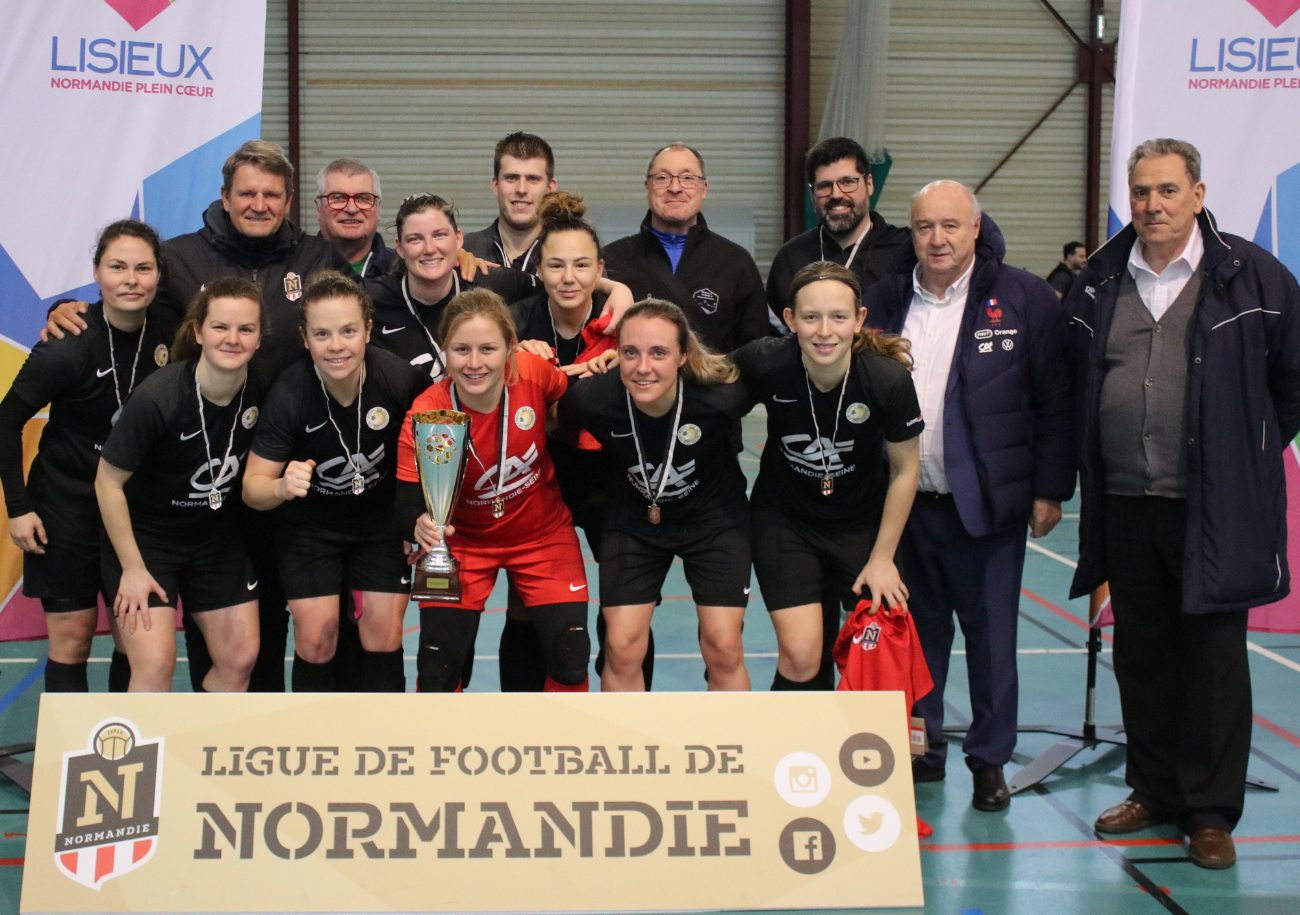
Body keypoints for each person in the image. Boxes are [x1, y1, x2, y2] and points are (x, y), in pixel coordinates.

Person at [1068, 139, 1300, 869]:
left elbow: (1291, 381)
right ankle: (1155, 789)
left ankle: (1209, 812)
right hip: (1126, 503)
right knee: (1142, 655)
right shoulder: (1101, 278)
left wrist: (1252, 448)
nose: (1153, 205)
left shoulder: (1254, 276)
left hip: (1216, 507)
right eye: (1141, 192)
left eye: (1168, 190)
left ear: (1198, 195)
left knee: (1213, 663)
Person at [45, 140, 351, 693]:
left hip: (274, 468)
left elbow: (361, 311)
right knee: (154, 653)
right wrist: (68, 311)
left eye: (272, 195)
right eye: (247, 193)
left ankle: (240, 743)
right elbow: (128, 302)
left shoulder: (316, 258)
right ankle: (144, 753)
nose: (259, 204)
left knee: (257, 632)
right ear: (225, 197)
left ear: (288, 201)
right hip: (185, 475)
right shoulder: (181, 258)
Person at [864, 180, 1074, 811]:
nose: (937, 238)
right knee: (916, 640)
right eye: (925, 226)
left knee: (990, 641)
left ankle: (988, 761)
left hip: (987, 507)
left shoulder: (1025, 298)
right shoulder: (881, 300)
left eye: (951, 225)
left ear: (976, 228)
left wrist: (1050, 489)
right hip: (904, 510)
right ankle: (924, 750)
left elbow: (1056, 399)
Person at [0, 221, 178, 694]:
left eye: (143, 268)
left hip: (135, 510)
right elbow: (6, 421)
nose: (131, 279)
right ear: (97, 273)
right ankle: (67, 762)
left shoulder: (174, 334)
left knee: (132, 638)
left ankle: (123, 754)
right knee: (72, 639)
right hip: (66, 509)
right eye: (117, 267)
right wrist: (18, 508)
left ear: (158, 275)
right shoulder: (68, 344)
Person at [734, 262, 922, 690]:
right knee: (801, 656)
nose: (824, 331)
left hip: (863, 525)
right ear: (789, 320)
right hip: (785, 521)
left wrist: (882, 558)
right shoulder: (765, 361)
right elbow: (696, 380)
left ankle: (862, 751)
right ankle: (791, 753)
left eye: (838, 317)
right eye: (810, 317)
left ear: (858, 320)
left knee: (874, 657)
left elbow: (905, 469)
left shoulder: (887, 380)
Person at [395, 288, 590, 693]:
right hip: (462, 543)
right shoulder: (429, 416)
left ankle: (559, 742)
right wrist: (420, 525)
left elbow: (564, 401)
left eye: (488, 348)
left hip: (543, 535)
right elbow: (406, 502)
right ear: (445, 350)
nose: (475, 362)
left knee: (570, 654)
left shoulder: (534, 373)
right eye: (461, 349)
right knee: (438, 667)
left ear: (511, 349)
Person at [243, 273, 427, 693]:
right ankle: (316, 741)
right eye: (322, 334)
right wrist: (280, 488)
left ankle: (383, 739)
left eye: (348, 331)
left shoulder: (400, 381)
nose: (337, 345)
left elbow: (428, 462)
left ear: (368, 330)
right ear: (305, 339)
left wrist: (415, 520)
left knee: (383, 635)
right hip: (310, 529)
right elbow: (252, 487)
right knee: (316, 639)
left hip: (380, 525)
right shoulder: (290, 392)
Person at [558, 299, 753, 691]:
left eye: (659, 353)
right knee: (621, 646)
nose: (643, 367)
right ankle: (624, 748)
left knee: (724, 645)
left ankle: (736, 746)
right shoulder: (593, 398)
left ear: (683, 355)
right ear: (617, 353)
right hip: (632, 522)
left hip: (714, 520)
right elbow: (551, 428)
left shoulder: (721, 396)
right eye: (631, 352)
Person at [94, 278, 271, 692]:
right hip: (147, 542)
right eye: (220, 327)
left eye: (246, 329)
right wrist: (133, 569)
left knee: (240, 659)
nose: (232, 339)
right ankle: (144, 755)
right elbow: (107, 483)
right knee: (155, 665)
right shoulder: (158, 399)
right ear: (198, 332)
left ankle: (200, 750)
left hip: (215, 539)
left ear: (260, 337)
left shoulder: (263, 388)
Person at [602, 144, 772, 355]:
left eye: (688, 178)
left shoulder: (736, 262)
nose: (675, 188)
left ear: (704, 189)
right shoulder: (613, 259)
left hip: (714, 386)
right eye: (662, 178)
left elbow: (755, 352)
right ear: (647, 187)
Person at [367, 194, 539, 380]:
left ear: (458, 239)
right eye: (415, 239)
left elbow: (556, 294)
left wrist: (529, 345)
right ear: (400, 248)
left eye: (439, 235)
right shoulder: (373, 298)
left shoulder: (491, 282)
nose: (430, 249)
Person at [766, 137, 911, 320]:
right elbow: (776, 338)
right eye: (824, 186)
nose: (836, 194)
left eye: (847, 182)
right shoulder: (790, 258)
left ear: (869, 184)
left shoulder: (905, 251)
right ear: (812, 194)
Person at [462, 132, 557, 275]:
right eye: (511, 178)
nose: (521, 189)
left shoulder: (572, 255)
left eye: (533, 179)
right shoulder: (465, 251)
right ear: (495, 186)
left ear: (550, 189)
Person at [314, 157, 397, 279]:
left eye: (363, 198)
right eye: (338, 198)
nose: (351, 209)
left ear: (378, 209)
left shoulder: (404, 271)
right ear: (318, 209)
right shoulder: (294, 267)